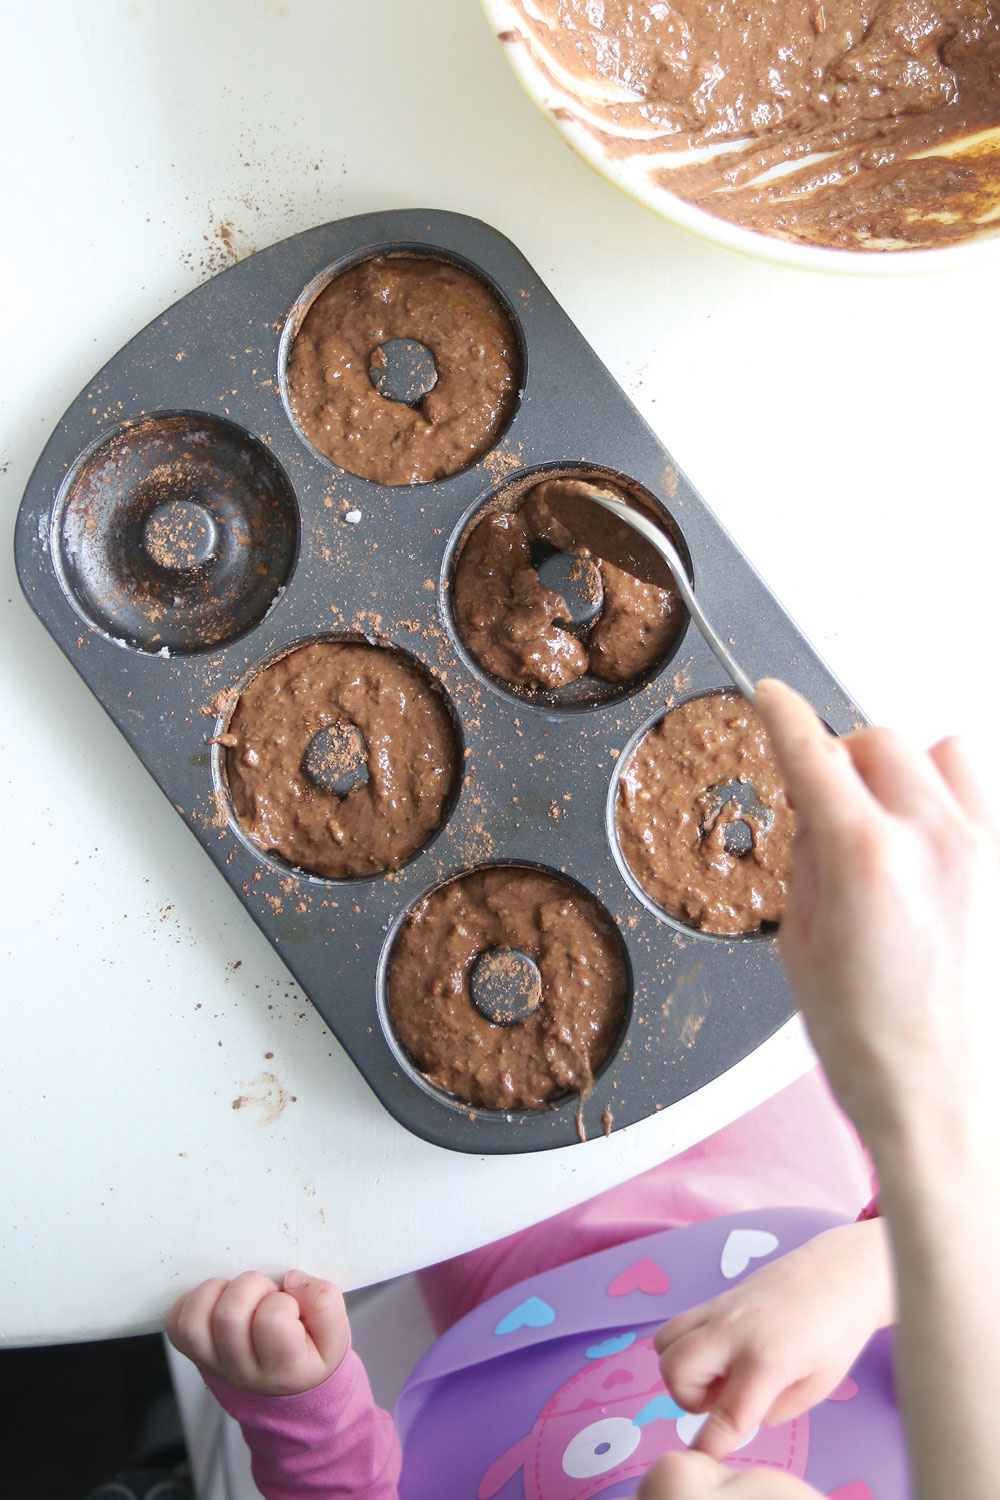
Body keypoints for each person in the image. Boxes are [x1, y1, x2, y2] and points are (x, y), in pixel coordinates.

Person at [166, 680, 999, 1499]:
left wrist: (301, 1410)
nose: (674, 1476)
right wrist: (862, 1273)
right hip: (775, 1168)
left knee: (426, 976)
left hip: (506, 1255)